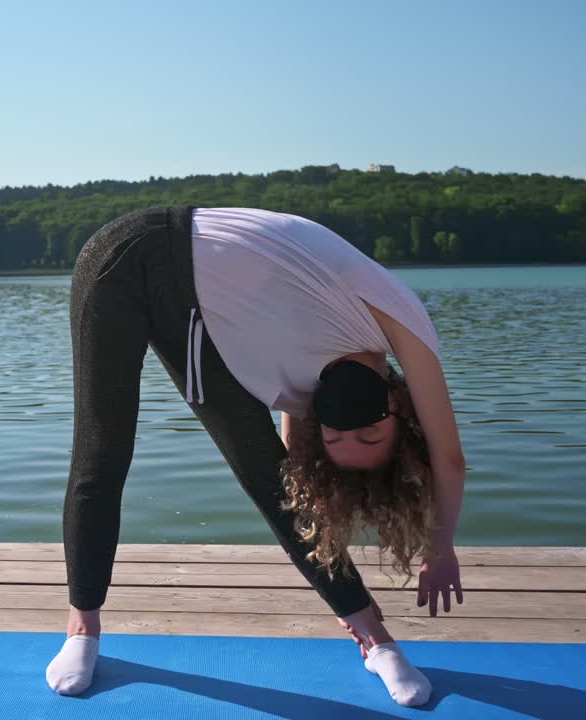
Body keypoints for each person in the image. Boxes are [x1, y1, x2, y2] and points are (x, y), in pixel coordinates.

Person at [46, 206, 466, 708]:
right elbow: (449, 458)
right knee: (101, 453)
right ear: (397, 408)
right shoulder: (404, 322)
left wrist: (313, 528)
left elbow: (288, 475)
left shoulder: (312, 390)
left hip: (202, 320)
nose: (351, 432)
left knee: (270, 480)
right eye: (371, 438)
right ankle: (82, 630)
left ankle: (375, 638)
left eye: (336, 442)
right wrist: (440, 549)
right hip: (124, 254)